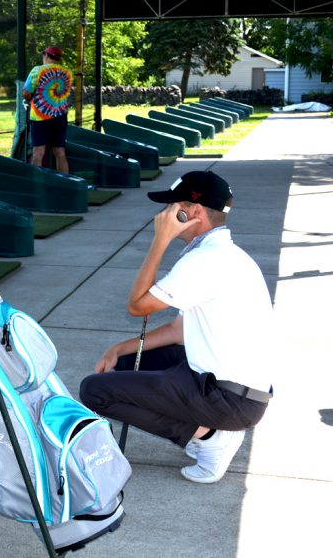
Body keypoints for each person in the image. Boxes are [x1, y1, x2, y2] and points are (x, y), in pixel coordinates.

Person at [79, 171, 273, 483]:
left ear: (193, 212)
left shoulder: (206, 260)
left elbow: (137, 305)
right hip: (232, 388)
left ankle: (209, 436)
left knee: (94, 391)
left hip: (230, 400)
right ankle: (205, 429)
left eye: (172, 207)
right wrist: (119, 349)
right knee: (129, 363)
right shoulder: (221, 254)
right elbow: (179, 330)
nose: (164, 214)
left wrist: (160, 240)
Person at [21, 45, 72, 173]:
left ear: (47, 56)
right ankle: (65, 183)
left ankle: (36, 185)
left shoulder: (37, 70)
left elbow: (26, 93)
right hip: (60, 116)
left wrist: (30, 98)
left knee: (38, 152)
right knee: (60, 152)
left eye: (44, 55)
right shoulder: (68, 72)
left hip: (40, 117)